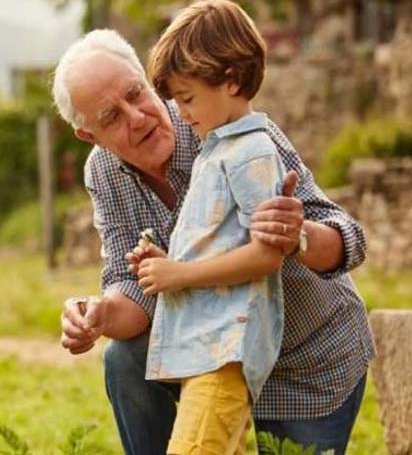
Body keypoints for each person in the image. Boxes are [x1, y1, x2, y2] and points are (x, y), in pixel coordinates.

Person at [51, 27, 374, 454]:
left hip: (304, 361)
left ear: (149, 80)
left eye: (136, 94)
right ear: (90, 136)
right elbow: (135, 287)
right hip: (212, 362)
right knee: (124, 357)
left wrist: (298, 232)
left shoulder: (230, 124)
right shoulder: (103, 173)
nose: (137, 117)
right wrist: (98, 313)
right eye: (111, 117)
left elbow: (348, 238)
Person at [131, 0, 288, 453]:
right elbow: (219, 244)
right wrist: (167, 263)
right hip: (204, 351)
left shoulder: (252, 152)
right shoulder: (214, 151)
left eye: (187, 98)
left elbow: (267, 253)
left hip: (225, 352)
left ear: (232, 81)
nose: (181, 113)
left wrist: (180, 275)